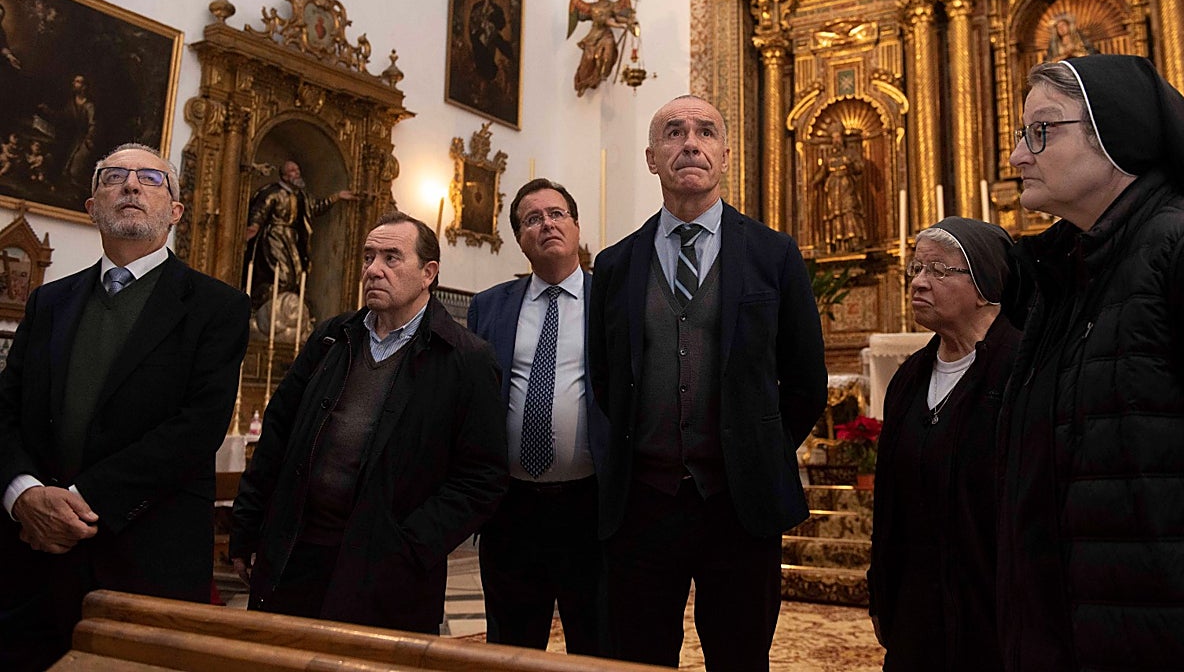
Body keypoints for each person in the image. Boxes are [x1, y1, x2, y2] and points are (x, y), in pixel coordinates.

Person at [590, 95, 828, 671]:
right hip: (644, 504)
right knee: (639, 658)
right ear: (652, 158)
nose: (689, 142)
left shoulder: (774, 255)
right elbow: (605, 375)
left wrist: (756, 448)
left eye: (705, 132)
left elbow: (805, 379)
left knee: (741, 657)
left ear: (725, 155)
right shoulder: (617, 263)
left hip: (739, 506)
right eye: (673, 133)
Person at [0, 143, 250, 671]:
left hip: (144, 558)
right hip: (33, 555)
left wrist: (75, 501)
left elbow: (196, 429)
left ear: (175, 213)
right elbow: (6, 411)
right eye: (114, 176)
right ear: (92, 206)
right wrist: (22, 495)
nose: (131, 185)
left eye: (150, 179)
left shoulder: (216, 308)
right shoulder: (50, 301)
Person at [998, 54, 1184, 670]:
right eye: (1019, 134)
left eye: (1042, 131)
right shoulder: (1066, 272)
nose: (1017, 156)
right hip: (1076, 628)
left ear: (1117, 133)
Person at [230, 211, 508, 632]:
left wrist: (410, 545)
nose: (373, 270)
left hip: (388, 570)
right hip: (297, 551)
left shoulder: (465, 358)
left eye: (392, 258)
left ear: (428, 273)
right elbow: (277, 436)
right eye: (367, 256)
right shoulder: (331, 338)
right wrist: (248, 528)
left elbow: (482, 477)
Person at [867, 217, 1019, 672]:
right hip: (916, 611)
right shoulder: (910, 377)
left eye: (938, 269)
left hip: (994, 610)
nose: (918, 282)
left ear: (984, 283)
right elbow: (888, 499)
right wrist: (882, 591)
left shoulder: (1021, 369)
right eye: (916, 268)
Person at [468, 178, 608, 655]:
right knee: (511, 647)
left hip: (591, 508)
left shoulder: (611, 300)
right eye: (532, 219)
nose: (546, 224)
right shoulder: (489, 307)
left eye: (556, 214)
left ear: (575, 225)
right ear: (519, 237)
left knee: (595, 644)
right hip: (512, 511)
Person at [244, 160, 353, 309]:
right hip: (274, 237)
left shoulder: (302, 196)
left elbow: (316, 207)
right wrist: (254, 226)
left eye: (298, 169)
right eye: (293, 170)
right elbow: (260, 210)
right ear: (284, 176)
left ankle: (283, 310)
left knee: (296, 276)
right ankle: (260, 307)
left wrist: (337, 196)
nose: (298, 173)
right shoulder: (273, 192)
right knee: (283, 276)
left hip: (291, 238)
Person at [567, 0, 638, 96]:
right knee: (588, 58)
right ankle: (583, 83)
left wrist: (628, 21)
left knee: (607, 57)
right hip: (594, 35)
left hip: (606, 35)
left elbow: (617, 18)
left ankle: (602, 76)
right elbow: (584, 16)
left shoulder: (611, 5)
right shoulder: (591, 7)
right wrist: (618, 26)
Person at [813, 120, 868, 252]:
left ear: (842, 138)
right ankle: (836, 243)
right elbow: (822, 173)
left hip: (847, 186)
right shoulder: (829, 157)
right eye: (834, 138)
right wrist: (813, 182)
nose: (836, 140)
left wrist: (850, 165)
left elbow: (860, 167)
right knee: (835, 215)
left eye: (838, 137)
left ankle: (854, 240)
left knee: (849, 211)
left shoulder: (850, 153)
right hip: (833, 189)